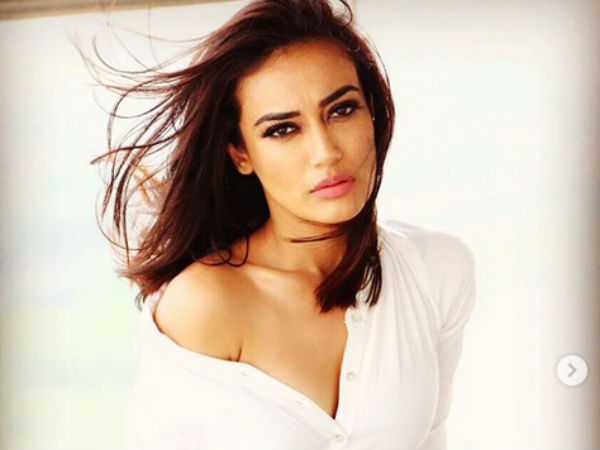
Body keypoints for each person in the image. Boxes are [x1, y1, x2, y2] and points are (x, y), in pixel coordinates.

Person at [89, 0, 476, 448]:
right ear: (241, 153)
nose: (325, 152)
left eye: (342, 110)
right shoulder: (206, 305)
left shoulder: (436, 272)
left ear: (372, 110)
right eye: (282, 130)